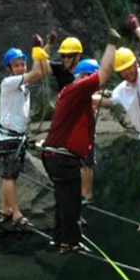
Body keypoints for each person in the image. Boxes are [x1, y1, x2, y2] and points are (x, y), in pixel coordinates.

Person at [41, 29, 120, 253]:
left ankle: (59, 239)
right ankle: (71, 242)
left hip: (54, 155)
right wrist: (112, 44)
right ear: (86, 76)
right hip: (62, 156)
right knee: (72, 201)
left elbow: (105, 100)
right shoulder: (79, 88)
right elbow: (104, 73)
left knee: (62, 198)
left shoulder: (71, 91)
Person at [95, 13, 140, 233]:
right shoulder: (121, 90)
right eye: (122, 70)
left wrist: (137, 28)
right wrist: (85, 95)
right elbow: (107, 102)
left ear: (136, 63)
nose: (126, 72)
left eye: (129, 67)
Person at [0, 35, 49, 227]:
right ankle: (16, 214)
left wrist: (44, 47)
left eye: (22, 64)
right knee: (9, 176)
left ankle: (5, 209)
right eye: (16, 65)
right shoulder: (8, 83)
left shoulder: (22, 84)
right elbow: (36, 73)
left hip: (15, 137)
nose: (20, 68)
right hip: (8, 138)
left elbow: (41, 70)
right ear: (9, 68)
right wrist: (37, 49)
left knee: (9, 175)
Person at [48, 35, 96, 205]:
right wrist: (47, 45)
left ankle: (87, 195)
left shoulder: (86, 69)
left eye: (69, 56)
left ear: (77, 56)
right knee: (71, 157)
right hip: (67, 120)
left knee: (87, 158)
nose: (65, 59)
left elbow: (98, 83)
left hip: (83, 118)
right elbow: (40, 66)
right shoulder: (60, 70)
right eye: (63, 56)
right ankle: (76, 194)